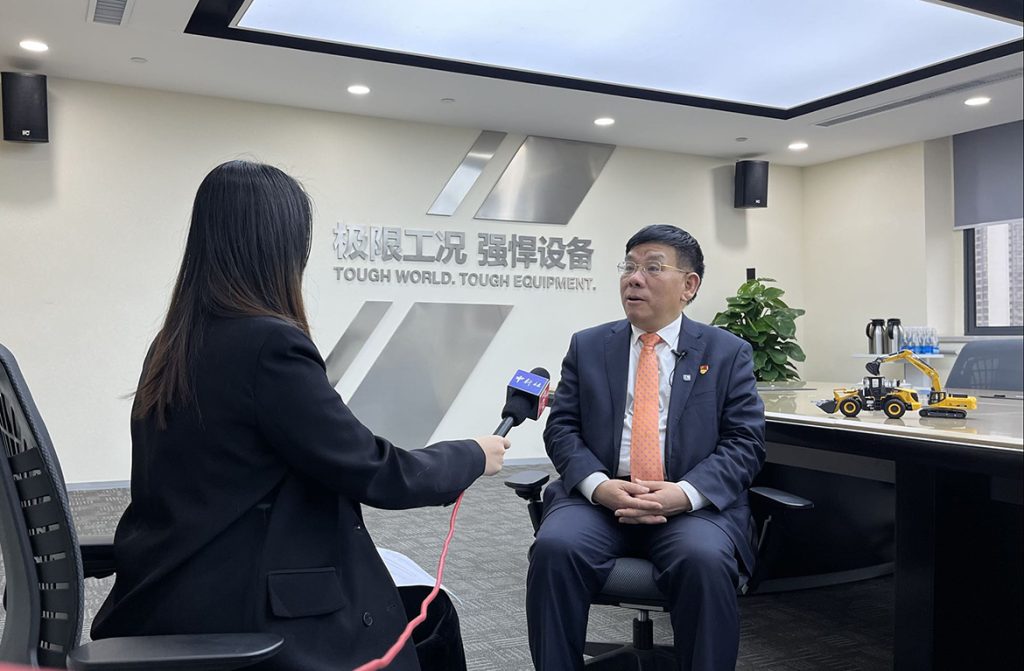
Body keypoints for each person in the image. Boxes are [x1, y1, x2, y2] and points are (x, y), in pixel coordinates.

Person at [90, 160, 510, 671]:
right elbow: (376, 472)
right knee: (427, 621)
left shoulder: (174, 342)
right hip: (242, 610)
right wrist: (472, 455)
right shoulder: (268, 344)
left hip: (168, 593)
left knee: (420, 605)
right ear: (281, 248)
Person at [526, 224, 765, 671]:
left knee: (704, 559)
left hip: (689, 505)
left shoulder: (727, 352)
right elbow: (562, 429)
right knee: (555, 548)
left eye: (653, 268)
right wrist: (598, 486)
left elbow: (744, 443)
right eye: (628, 267)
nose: (634, 279)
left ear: (689, 286)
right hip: (600, 501)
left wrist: (684, 494)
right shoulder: (589, 345)